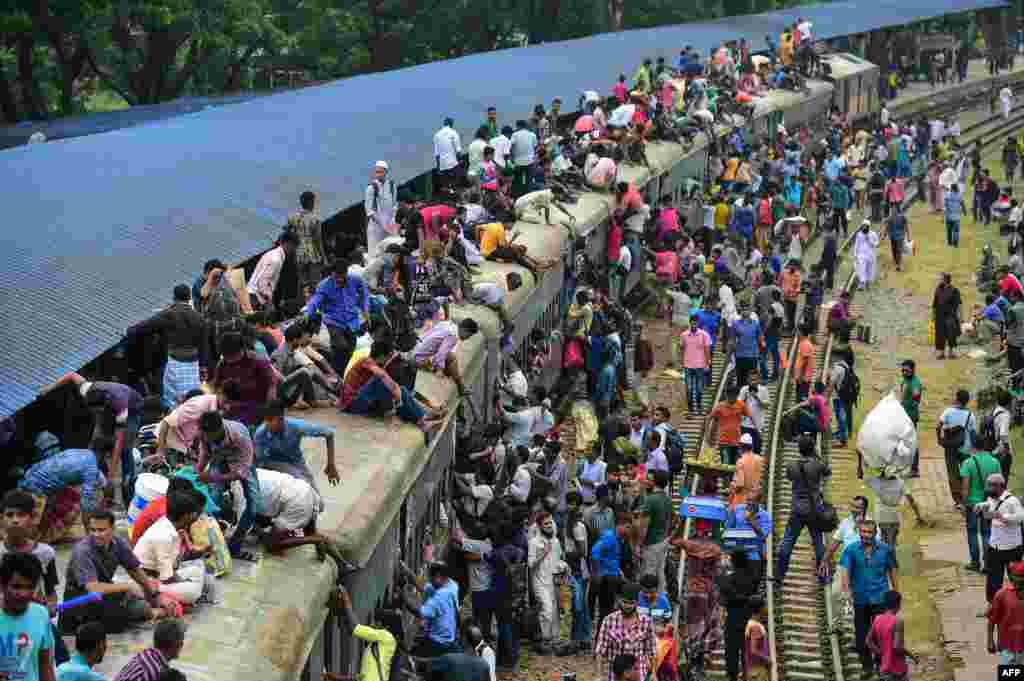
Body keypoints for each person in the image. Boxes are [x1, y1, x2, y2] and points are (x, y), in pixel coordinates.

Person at [41, 373, 143, 511]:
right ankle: (99, 483)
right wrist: (49, 388)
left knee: (125, 450)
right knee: (98, 444)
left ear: (105, 405)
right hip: (109, 407)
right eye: (94, 411)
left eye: (99, 411)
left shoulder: (121, 406)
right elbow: (71, 375)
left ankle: (128, 487)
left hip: (132, 410)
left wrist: (112, 475)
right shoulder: (86, 389)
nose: (97, 414)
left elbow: (119, 442)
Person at [60, 511, 163, 636]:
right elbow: (93, 588)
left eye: (101, 530)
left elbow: (134, 570)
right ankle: (152, 613)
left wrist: (153, 594)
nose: (96, 534)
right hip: (80, 602)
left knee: (142, 602)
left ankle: (151, 611)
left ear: (112, 529)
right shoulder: (82, 551)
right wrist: (128, 587)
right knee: (135, 610)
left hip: (105, 596)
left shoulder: (118, 543)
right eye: (93, 530)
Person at [0, 490, 69, 665]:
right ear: (2, 519)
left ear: (32, 519)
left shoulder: (45, 553)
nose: (15, 520)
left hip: (34, 617)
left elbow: (50, 591)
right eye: (10, 515)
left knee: (60, 659)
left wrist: (51, 606)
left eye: (21, 515)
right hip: (3, 619)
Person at [125, 284, 208, 409]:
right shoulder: (199, 317)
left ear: (174, 297)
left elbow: (144, 326)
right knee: (191, 398)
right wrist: (203, 366)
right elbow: (204, 345)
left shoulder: (169, 314)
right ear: (189, 297)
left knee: (171, 398)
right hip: (193, 364)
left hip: (173, 362)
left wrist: (130, 330)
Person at [195, 412, 262, 560]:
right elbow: (205, 452)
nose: (204, 437)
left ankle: (234, 546)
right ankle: (206, 540)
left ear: (218, 431)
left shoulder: (240, 436)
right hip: (219, 458)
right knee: (212, 500)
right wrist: (198, 471)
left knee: (254, 505)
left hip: (241, 461)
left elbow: (242, 473)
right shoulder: (204, 432)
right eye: (203, 434)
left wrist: (213, 478)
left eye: (207, 436)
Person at [341, 339, 445, 434]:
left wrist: (397, 393)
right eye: (388, 356)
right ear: (382, 356)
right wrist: (396, 393)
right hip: (352, 404)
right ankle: (417, 419)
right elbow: (382, 376)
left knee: (401, 390)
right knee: (382, 382)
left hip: (364, 400)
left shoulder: (378, 365)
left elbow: (398, 388)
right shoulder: (366, 361)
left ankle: (422, 420)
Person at [17, 441, 109, 543]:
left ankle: (41, 536)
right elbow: (86, 505)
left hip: (30, 477)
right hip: (36, 488)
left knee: (69, 499)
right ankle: (29, 539)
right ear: (106, 455)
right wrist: (90, 535)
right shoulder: (91, 467)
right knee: (76, 505)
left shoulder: (80, 452)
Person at [841, 519, 898, 677]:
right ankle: (866, 666)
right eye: (863, 532)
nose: (865, 535)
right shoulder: (851, 550)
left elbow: (892, 570)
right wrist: (846, 591)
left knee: (881, 635)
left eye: (869, 532)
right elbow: (845, 570)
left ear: (875, 533)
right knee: (861, 635)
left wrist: (896, 592)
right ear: (859, 532)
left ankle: (881, 665)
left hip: (880, 598)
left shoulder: (885, 550)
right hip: (860, 599)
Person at [133, 491, 208, 605]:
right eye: (194, 513)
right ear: (186, 516)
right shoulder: (164, 535)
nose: (196, 517)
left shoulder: (168, 525)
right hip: (148, 580)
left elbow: (172, 565)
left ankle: (169, 594)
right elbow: (167, 577)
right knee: (193, 592)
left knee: (197, 570)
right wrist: (183, 581)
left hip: (157, 574)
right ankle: (150, 593)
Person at [776, 435, 829, 585]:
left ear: (799, 449)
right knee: (818, 543)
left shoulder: (791, 466)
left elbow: (789, 478)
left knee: (787, 542)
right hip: (814, 509)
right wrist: (816, 456)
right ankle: (822, 576)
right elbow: (827, 472)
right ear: (813, 449)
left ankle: (780, 574)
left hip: (797, 509)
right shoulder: (818, 465)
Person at [304, 258, 370, 376]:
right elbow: (315, 302)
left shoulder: (355, 280)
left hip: (352, 321)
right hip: (334, 322)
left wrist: (365, 309)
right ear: (332, 273)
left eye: (342, 275)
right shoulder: (324, 285)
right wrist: (307, 314)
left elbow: (364, 293)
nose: (339, 279)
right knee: (341, 346)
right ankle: (336, 373)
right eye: (337, 276)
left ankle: (341, 374)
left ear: (346, 272)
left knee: (350, 349)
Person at [670, 519, 722, 667]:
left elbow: (673, 541)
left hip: (693, 589)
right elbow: (717, 571)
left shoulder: (690, 544)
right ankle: (703, 653)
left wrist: (682, 522)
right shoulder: (715, 548)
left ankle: (694, 655)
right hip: (708, 589)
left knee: (693, 623)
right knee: (709, 621)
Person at [254, 400, 338, 491]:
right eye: (267, 421)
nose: (269, 424)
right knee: (303, 486)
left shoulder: (296, 426)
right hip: (273, 463)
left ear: (282, 418)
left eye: (274, 420)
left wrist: (331, 465)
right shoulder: (260, 434)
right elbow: (260, 462)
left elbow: (329, 434)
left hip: (296, 462)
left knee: (313, 493)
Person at [0, 553, 56, 681]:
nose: (24, 594)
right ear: (2, 585)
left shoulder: (41, 614)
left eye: (30, 587)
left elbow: (44, 666)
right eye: (17, 587)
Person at [330, 584, 401, 681]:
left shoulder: (386, 637)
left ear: (386, 626)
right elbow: (358, 678)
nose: (374, 625)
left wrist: (345, 597)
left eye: (377, 623)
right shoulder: (385, 649)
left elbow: (355, 628)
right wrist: (334, 678)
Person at [209, 331, 279, 427]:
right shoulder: (222, 364)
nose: (229, 359)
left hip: (256, 406)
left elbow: (272, 385)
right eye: (226, 356)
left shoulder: (258, 361)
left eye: (232, 356)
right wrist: (220, 400)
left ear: (242, 350)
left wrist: (269, 411)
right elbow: (216, 387)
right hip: (232, 407)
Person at [974, 473, 1024, 603]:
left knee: (1016, 578)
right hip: (995, 546)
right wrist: (981, 505)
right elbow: (990, 504)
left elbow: (1020, 517)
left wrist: (1002, 516)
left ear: (1000, 486)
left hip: (1012, 547)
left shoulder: (1012, 501)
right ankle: (993, 605)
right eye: (987, 486)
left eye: (990, 486)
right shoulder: (992, 498)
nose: (987, 489)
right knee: (993, 580)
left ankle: (1018, 605)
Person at [594, 582, 657, 681]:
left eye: (631, 603)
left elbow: (652, 651)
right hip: (616, 676)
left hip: (638, 674)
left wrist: (653, 673)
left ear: (637, 602)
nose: (627, 606)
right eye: (625, 602)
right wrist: (599, 674)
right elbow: (600, 650)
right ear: (619, 600)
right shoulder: (609, 620)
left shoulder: (646, 621)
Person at [401, 562, 460, 657]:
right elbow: (424, 587)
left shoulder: (441, 597)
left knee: (411, 658)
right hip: (449, 638)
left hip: (437, 642)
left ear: (438, 576)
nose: (430, 581)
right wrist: (409, 574)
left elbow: (419, 612)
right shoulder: (451, 585)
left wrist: (403, 595)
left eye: (431, 578)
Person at [718, 550, 760, 681]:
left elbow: (724, 598)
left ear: (733, 562)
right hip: (749, 619)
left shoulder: (728, 579)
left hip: (733, 620)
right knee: (747, 652)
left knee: (732, 652)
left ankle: (732, 677)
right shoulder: (752, 578)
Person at [412, 318, 480, 396]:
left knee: (451, 359)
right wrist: (440, 369)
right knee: (452, 358)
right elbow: (442, 353)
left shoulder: (449, 326)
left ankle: (461, 386)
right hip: (419, 360)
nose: (468, 338)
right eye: (469, 335)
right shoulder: (453, 336)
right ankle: (461, 387)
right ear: (464, 330)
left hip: (416, 351)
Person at [528, 511, 565, 651]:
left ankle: (554, 639)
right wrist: (543, 553)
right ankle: (543, 639)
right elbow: (531, 564)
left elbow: (558, 560)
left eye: (550, 523)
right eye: (546, 524)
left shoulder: (555, 541)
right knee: (547, 610)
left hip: (554, 580)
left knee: (555, 612)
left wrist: (563, 568)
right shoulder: (534, 542)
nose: (549, 526)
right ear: (539, 526)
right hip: (539, 581)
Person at [590, 513, 630, 631]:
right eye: (627, 527)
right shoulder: (609, 537)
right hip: (606, 579)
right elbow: (594, 553)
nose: (629, 530)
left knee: (610, 608)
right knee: (606, 610)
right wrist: (597, 573)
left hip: (613, 575)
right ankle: (601, 634)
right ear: (620, 525)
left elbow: (612, 558)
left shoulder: (619, 539)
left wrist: (619, 571)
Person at [112, 619, 186, 681]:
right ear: (176, 645)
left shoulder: (146, 655)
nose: (182, 644)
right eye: (181, 641)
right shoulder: (156, 672)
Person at [867, 590, 918, 681]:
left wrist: (881, 653)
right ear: (898, 604)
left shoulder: (877, 619)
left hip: (884, 669)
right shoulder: (897, 621)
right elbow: (897, 647)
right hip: (898, 670)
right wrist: (911, 656)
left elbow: (868, 641)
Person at [636, 471, 673, 594]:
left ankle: (646, 599)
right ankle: (662, 597)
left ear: (654, 482)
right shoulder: (668, 499)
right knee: (660, 572)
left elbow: (644, 525)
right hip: (663, 541)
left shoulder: (651, 499)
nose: (647, 481)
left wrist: (639, 544)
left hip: (651, 543)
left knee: (649, 573)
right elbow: (673, 519)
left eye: (649, 479)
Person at [939, 389, 976, 507]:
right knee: (966, 473)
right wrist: (975, 449)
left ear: (956, 399)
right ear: (967, 401)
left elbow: (938, 426)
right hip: (965, 448)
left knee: (952, 474)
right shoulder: (970, 415)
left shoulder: (948, 412)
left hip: (950, 448)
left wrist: (940, 440)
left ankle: (958, 500)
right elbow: (973, 434)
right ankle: (966, 497)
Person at [247, 232, 298, 313]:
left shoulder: (273, 254)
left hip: (254, 295)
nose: (294, 250)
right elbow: (262, 283)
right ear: (288, 244)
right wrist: (269, 302)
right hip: (256, 297)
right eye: (294, 246)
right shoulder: (276, 259)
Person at [987, 561, 1024, 666]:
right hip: (1007, 646)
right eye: (1016, 577)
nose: (1018, 581)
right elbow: (992, 620)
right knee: (1009, 672)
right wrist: (990, 641)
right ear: (1011, 578)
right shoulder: (1002, 595)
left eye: (1021, 578)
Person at [288, 190, 328, 287]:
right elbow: (317, 240)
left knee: (303, 283)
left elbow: (289, 233)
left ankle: (305, 296)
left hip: (299, 253)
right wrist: (324, 258)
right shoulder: (315, 219)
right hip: (312, 253)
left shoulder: (293, 218)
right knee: (315, 283)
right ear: (311, 202)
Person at [708, 384, 752, 466]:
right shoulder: (720, 406)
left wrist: (749, 426)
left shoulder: (741, 405)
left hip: (736, 442)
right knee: (725, 464)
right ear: (726, 395)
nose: (732, 398)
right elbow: (709, 418)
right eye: (730, 396)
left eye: (734, 396)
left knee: (734, 465)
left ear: (737, 395)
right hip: (724, 441)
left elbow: (750, 416)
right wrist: (708, 434)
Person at [365, 161, 398, 257]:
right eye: (376, 172)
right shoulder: (371, 187)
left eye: (380, 172)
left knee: (391, 253)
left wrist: (392, 222)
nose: (378, 174)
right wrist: (382, 225)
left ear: (386, 172)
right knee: (374, 255)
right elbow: (369, 211)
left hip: (390, 225)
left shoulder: (392, 185)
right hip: (376, 227)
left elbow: (394, 205)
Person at [680, 317, 712, 414]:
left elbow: (707, 349)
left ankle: (699, 407)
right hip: (688, 365)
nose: (694, 325)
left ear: (698, 323)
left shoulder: (704, 335)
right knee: (689, 389)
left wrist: (708, 362)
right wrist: (681, 362)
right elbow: (681, 349)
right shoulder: (684, 335)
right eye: (692, 323)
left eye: (695, 323)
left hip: (700, 365)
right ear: (690, 323)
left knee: (699, 389)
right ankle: (690, 409)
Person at [899, 360, 923, 477]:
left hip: (910, 416)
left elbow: (916, 395)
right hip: (904, 415)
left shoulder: (915, 382)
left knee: (911, 442)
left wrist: (914, 399)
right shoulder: (905, 380)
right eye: (902, 370)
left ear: (913, 370)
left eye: (906, 370)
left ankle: (914, 469)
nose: (904, 372)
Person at [933, 272, 962, 359]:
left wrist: (961, 317)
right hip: (939, 315)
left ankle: (951, 352)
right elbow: (935, 303)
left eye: (941, 278)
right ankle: (941, 353)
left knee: (951, 334)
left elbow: (959, 304)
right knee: (940, 334)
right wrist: (933, 315)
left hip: (950, 315)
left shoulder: (954, 290)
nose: (940, 280)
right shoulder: (938, 289)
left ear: (946, 279)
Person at [744, 598, 770, 681]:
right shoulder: (756, 627)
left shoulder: (750, 623)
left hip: (752, 668)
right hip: (757, 670)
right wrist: (767, 659)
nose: (766, 608)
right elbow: (753, 650)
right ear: (761, 609)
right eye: (765, 606)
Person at [880, 204, 910, 272]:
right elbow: (886, 227)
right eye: (892, 210)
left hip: (900, 237)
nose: (892, 211)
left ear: (897, 210)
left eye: (894, 210)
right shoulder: (890, 218)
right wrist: (883, 235)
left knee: (899, 250)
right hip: (892, 236)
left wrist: (908, 236)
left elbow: (907, 227)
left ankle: (899, 264)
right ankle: (896, 261)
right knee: (894, 249)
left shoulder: (903, 217)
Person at [853, 220, 880, 290]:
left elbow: (877, 243)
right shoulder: (859, 234)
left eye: (866, 226)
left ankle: (868, 282)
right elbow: (856, 244)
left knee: (869, 269)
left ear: (868, 227)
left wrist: (870, 241)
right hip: (861, 255)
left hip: (871, 255)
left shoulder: (873, 234)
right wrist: (855, 254)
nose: (864, 228)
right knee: (861, 269)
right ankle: (862, 283)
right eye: (863, 226)